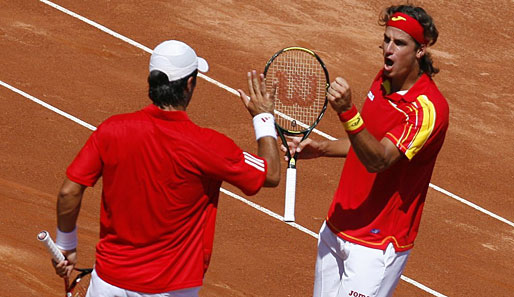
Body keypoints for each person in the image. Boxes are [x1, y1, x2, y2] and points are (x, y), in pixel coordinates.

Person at [53, 40, 280, 296]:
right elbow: (269, 173)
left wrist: (66, 244)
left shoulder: (111, 130)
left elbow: (68, 192)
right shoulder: (208, 145)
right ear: (189, 84)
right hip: (171, 287)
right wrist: (263, 118)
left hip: (109, 283)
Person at [284, 5, 449, 297]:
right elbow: (367, 142)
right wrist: (322, 148)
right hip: (338, 224)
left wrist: (347, 111)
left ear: (421, 50)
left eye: (399, 43)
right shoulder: (383, 81)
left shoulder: (427, 110)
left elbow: (380, 159)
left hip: (377, 245)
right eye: (386, 40)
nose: (388, 50)